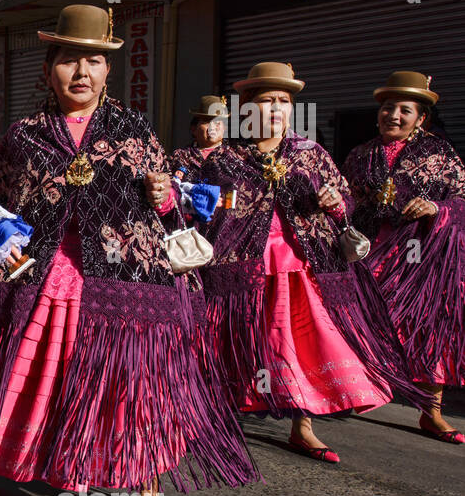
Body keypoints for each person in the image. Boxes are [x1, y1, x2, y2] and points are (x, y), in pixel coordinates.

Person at [0, 5, 257, 496]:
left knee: (134, 386)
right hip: (39, 273)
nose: (81, 72)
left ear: (108, 72)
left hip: (122, 277)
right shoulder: (23, 136)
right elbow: (0, 206)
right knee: (13, 371)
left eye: (94, 61)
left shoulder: (132, 130)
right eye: (69, 60)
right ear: (48, 68)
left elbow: (170, 208)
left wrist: (164, 195)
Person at [200, 62, 427, 463]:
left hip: (299, 264)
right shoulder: (227, 158)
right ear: (246, 108)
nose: (275, 109)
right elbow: (209, 211)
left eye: (284, 102)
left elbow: (346, 202)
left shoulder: (311, 153)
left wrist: (334, 204)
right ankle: (218, 418)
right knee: (237, 340)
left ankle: (302, 426)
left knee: (301, 343)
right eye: (265, 100)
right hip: (240, 267)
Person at [343, 71, 465, 443]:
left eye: (404, 109)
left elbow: (461, 199)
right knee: (358, 321)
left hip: (421, 258)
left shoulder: (439, 154)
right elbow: (345, 202)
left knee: (428, 329)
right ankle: (356, 390)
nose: (393, 115)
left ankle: (432, 412)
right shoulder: (360, 154)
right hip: (370, 254)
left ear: (421, 118)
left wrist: (435, 207)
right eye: (387, 107)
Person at [171, 96, 229, 181]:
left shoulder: (235, 154)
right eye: (206, 122)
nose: (212, 127)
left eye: (217, 122)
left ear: (225, 128)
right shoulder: (181, 156)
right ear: (194, 129)